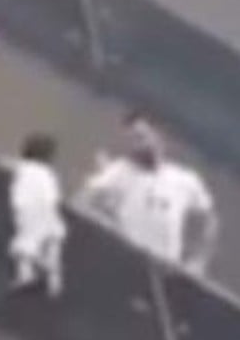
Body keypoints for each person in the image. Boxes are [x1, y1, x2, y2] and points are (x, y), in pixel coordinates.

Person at [78, 113, 219, 275]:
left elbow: (210, 220)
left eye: (140, 137)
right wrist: (105, 222)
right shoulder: (120, 171)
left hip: (164, 270)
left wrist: (199, 261)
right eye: (131, 141)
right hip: (123, 263)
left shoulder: (185, 180)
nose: (137, 146)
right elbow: (83, 199)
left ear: (158, 135)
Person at [7, 133, 67, 298]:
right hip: (50, 214)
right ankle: (55, 284)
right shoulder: (49, 174)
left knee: (25, 244)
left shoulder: (24, 167)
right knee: (53, 245)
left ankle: (26, 275)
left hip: (31, 211)